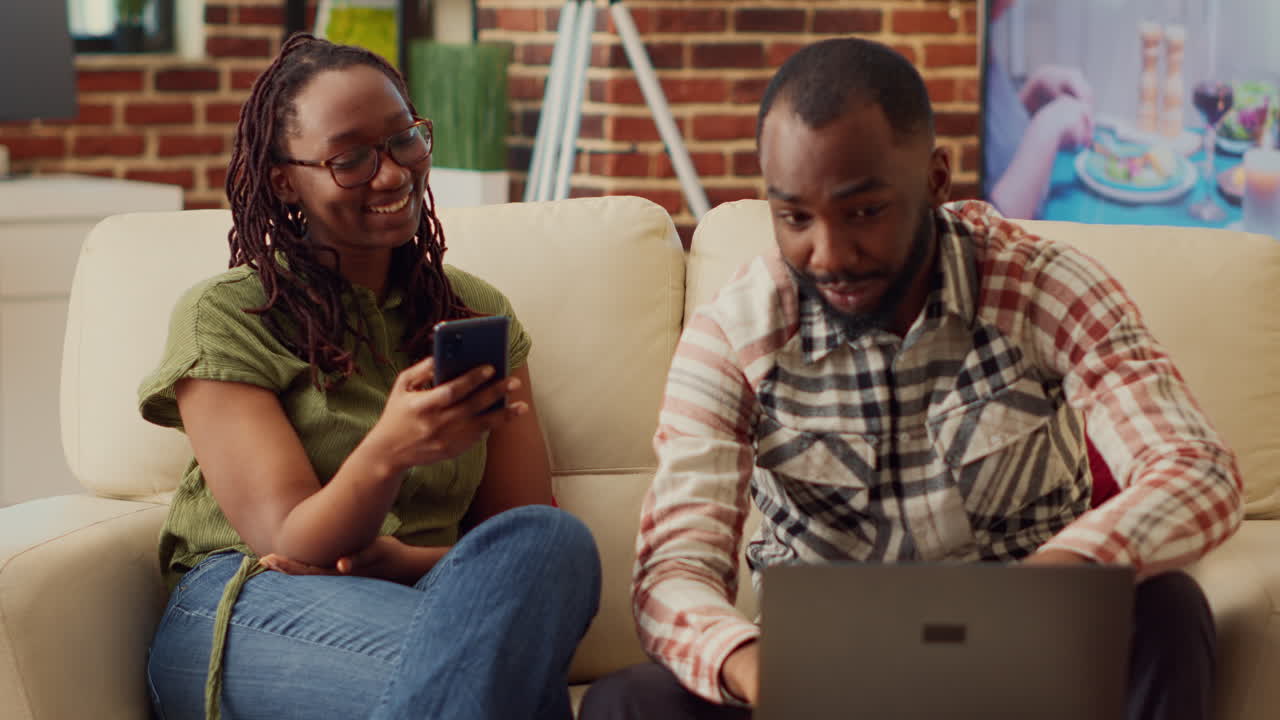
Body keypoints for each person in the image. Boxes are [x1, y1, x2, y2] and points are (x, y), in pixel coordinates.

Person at [581, 37, 1240, 720]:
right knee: (625, 704)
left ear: (934, 179)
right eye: (795, 218)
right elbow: (673, 572)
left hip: (1024, 659)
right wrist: (754, 668)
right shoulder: (734, 334)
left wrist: (1064, 575)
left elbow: (1197, 469)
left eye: (864, 211)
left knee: (1165, 610)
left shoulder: (1042, 285)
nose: (829, 255)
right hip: (826, 677)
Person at [139, 34, 600, 720]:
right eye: (350, 158)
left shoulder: (474, 310)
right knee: (501, 679)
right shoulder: (226, 314)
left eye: (404, 140)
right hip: (252, 605)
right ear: (283, 180)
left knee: (554, 542)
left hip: (433, 599)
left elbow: (513, 539)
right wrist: (390, 449)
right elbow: (286, 539)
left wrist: (406, 561)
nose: (391, 174)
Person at [984, 0, 1096, 219]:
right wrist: (1047, 128)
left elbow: (991, 150)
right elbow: (983, 236)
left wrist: (1029, 98)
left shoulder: (985, 34)